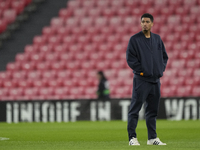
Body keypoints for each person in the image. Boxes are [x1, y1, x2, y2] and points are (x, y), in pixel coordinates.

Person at [126, 13, 168, 146]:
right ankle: (132, 138)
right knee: (135, 109)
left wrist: (159, 70)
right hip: (141, 80)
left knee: (152, 111)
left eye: (147, 21)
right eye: (143, 21)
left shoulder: (157, 39)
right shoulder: (134, 39)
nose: (145, 23)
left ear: (152, 24)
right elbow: (130, 59)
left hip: (155, 81)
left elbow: (164, 57)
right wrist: (142, 72)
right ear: (140, 23)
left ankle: (152, 138)